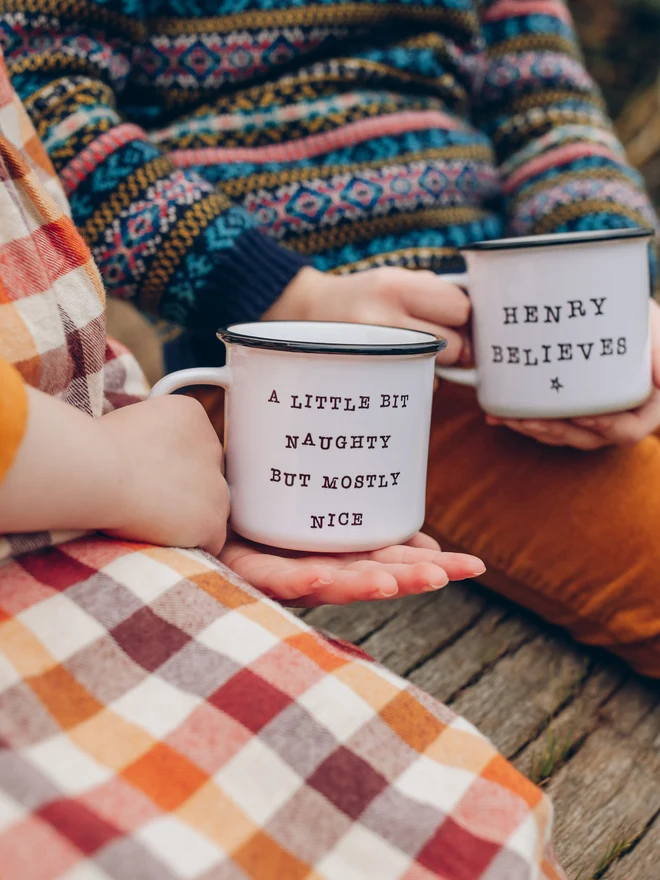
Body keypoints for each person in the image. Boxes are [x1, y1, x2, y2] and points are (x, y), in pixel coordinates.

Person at [0, 54, 566, 880]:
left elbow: (548, 101)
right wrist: (275, 290)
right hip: (119, 464)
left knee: (472, 828)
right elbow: (68, 113)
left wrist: (619, 311)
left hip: (105, 478)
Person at [2, 0, 660, 675]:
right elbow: (39, 114)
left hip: (516, 336)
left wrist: (608, 290)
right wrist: (287, 295)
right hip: (289, 376)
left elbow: (548, 108)